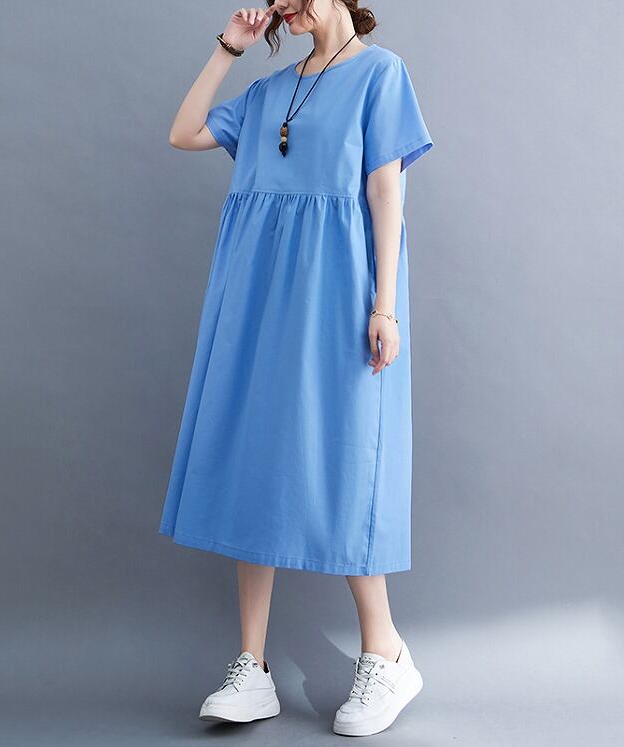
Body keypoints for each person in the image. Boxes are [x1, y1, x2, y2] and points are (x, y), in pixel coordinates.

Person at [160, 0, 433, 737]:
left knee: (346, 457)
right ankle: (252, 666)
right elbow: (184, 131)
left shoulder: (380, 74)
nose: (284, 4)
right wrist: (229, 47)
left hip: (339, 289)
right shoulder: (268, 91)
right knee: (256, 457)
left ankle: (385, 652)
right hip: (256, 290)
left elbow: (385, 192)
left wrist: (385, 305)